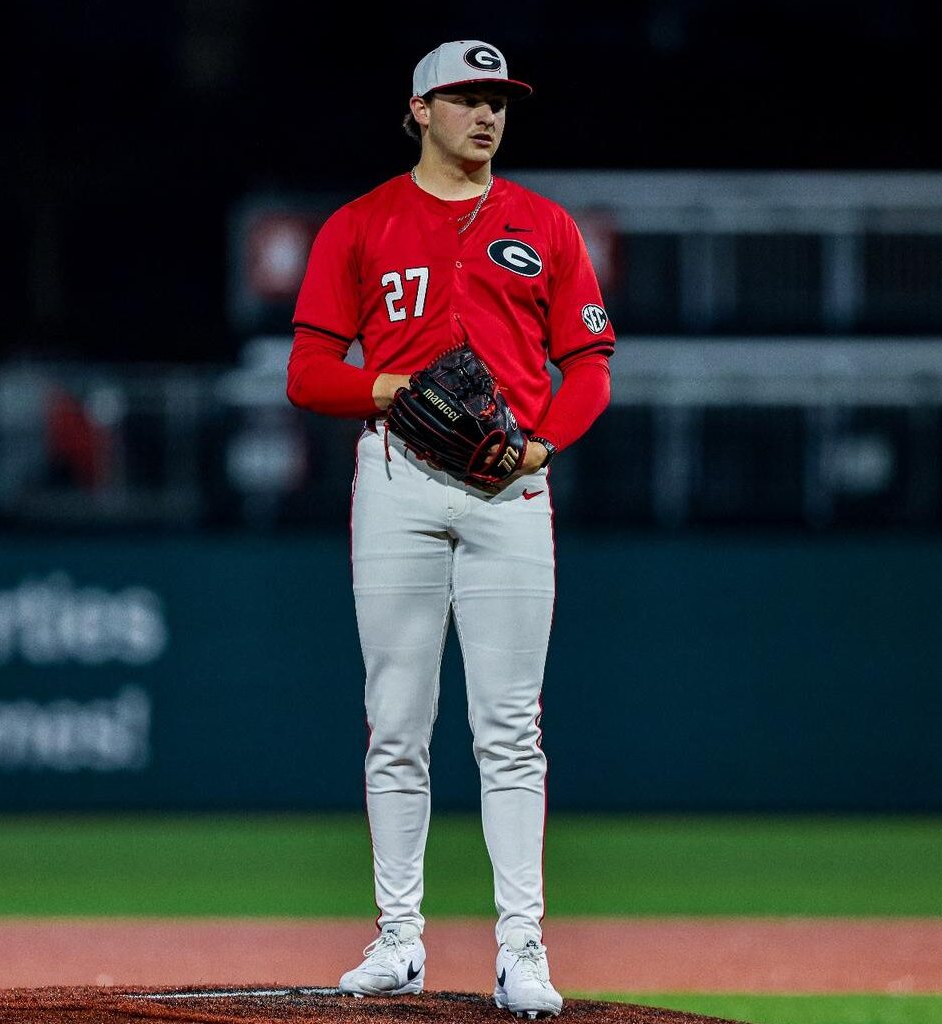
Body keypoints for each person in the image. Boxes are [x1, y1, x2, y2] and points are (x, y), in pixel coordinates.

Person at [285, 39, 614, 1020]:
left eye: (498, 100)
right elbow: (307, 373)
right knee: (396, 722)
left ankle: (522, 948)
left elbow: (589, 365)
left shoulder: (543, 225)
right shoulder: (360, 224)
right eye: (467, 98)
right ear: (419, 107)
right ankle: (398, 940)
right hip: (395, 477)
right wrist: (384, 385)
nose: (487, 115)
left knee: (509, 729)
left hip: (508, 490)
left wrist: (540, 447)